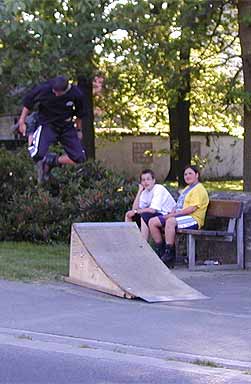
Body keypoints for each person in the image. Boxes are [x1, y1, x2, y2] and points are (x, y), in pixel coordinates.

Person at [18, 76, 86, 182]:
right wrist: (22, 121)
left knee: (79, 158)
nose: (54, 93)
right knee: (37, 155)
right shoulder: (44, 88)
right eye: (53, 91)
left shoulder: (76, 94)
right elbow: (28, 102)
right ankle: (31, 130)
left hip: (66, 127)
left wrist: (79, 130)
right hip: (47, 124)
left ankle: (51, 161)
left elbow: (79, 114)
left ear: (65, 90)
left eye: (57, 92)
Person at [148, 165, 209, 268]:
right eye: (185, 174)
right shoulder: (187, 189)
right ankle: (160, 251)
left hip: (193, 218)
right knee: (153, 222)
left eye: (190, 173)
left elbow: (192, 209)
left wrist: (173, 215)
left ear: (197, 175)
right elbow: (178, 205)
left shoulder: (199, 189)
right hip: (179, 217)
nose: (187, 176)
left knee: (170, 221)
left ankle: (169, 254)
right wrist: (171, 212)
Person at [125, 169, 176, 240]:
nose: (146, 182)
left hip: (167, 215)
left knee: (144, 216)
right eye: (143, 180)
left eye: (148, 179)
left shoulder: (158, 188)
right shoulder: (145, 192)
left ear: (153, 180)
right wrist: (139, 191)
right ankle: (130, 241)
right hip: (157, 215)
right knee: (129, 215)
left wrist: (136, 211)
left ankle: (143, 244)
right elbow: (134, 209)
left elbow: (153, 210)